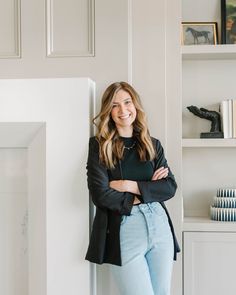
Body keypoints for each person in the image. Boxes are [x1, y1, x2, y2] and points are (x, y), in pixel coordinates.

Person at [85, 81, 180, 295]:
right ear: (109, 111)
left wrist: (129, 185)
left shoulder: (152, 144)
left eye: (127, 102)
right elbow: (100, 194)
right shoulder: (99, 145)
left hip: (159, 223)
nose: (123, 110)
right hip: (124, 226)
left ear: (135, 105)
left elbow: (169, 187)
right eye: (115, 105)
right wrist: (147, 192)